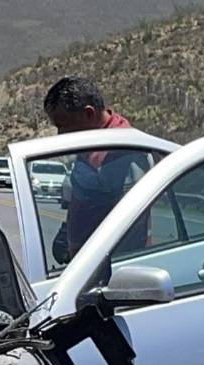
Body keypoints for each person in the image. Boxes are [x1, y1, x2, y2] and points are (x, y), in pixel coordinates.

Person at [43, 76, 149, 264]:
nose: (61, 135)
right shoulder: (93, 144)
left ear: (89, 114)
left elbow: (127, 223)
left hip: (108, 268)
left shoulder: (124, 152)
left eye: (64, 126)